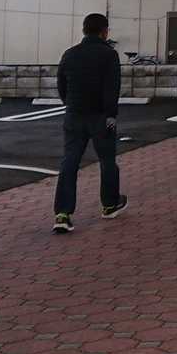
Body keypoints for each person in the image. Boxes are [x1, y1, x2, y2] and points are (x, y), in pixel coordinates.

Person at [53, 12, 126, 233]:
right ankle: (109, 204)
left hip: (74, 115)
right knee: (107, 160)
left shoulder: (70, 54)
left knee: (69, 162)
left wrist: (70, 104)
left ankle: (63, 213)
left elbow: (61, 85)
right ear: (105, 32)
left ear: (84, 30)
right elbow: (112, 88)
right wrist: (111, 114)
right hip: (101, 116)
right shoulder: (109, 55)